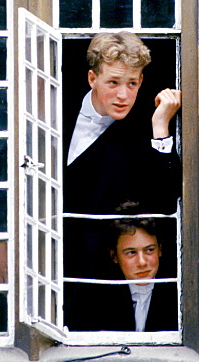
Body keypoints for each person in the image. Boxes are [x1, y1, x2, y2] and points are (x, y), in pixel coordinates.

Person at [63, 32, 182, 280]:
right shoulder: (55, 105)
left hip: (96, 269)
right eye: (113, 83)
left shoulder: (142, 127)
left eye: (132, 84)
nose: (123, 96)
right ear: (92, 78)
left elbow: (166, 201)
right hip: (39, 249)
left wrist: (160, 126)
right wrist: (1, 240)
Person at [65, 213, 177, 332]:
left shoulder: (177, 293)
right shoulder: (93, 298)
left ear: (160, 249)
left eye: (149, 250)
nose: (142, 262)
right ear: (114, 256)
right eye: (131, 252)